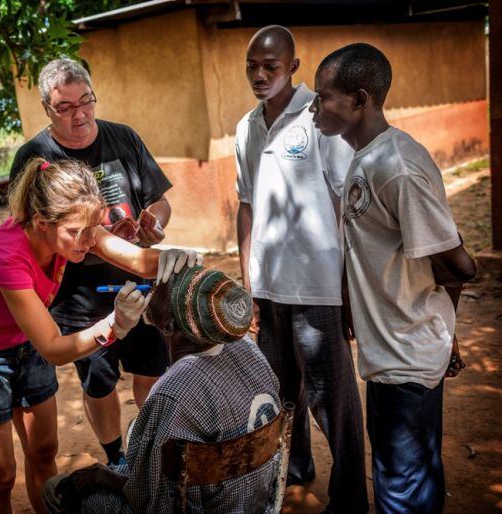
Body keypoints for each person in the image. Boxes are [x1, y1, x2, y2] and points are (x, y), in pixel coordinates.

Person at [0, 157, 200, 514]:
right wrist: (114, 326)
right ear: (41, 223)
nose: (89, 240)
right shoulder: (6, 255)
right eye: (79, 232)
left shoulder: (77, 225)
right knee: (0, 474)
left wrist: (177, 259)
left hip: (25, 340)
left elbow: (138, 261)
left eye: (93, 228)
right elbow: (53, 349)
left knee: (43, 451)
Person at [310, 43, 476, 514]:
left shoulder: (397, 167)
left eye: (323, 97)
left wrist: (442, 331)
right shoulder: (367, 158)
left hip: (406, 357)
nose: (314, 107)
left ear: (360, 99)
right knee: (411, 481)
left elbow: (458, 265)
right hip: (393, 353)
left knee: (401, 493)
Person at [9, 57, 173, 468]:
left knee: (153, 371)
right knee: (99, 383)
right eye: (65, 107)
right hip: (77, 297)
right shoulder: (34, 156)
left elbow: (158, 200)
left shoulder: (123, 138)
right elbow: (26, 233)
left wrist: (155, 223)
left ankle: (154, 451)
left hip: (137, 283)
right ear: (47, 108)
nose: (79, 114)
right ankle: (117, 457)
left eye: (86, 101)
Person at [234, 25, 368, 513]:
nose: (260, 75)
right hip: (268, 287)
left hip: (317, 287)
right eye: (252, 66)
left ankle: (350, 495)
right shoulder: (247, 127)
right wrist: (248, 282)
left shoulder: (320, 117)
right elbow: (246, 205)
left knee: (332, 398)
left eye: (270, 66)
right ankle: (294, 470)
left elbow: (346, 203)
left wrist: (347, 287)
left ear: (293, 66)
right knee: (277, 390)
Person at [42, 265, 283, 513]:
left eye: (159, 288)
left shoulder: (173, 392)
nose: (151, 286)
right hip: (257, 499)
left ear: (168, 327)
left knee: (55, 490)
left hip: (201, 506)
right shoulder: (247, 348)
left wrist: (102, 476)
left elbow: (149, 497)